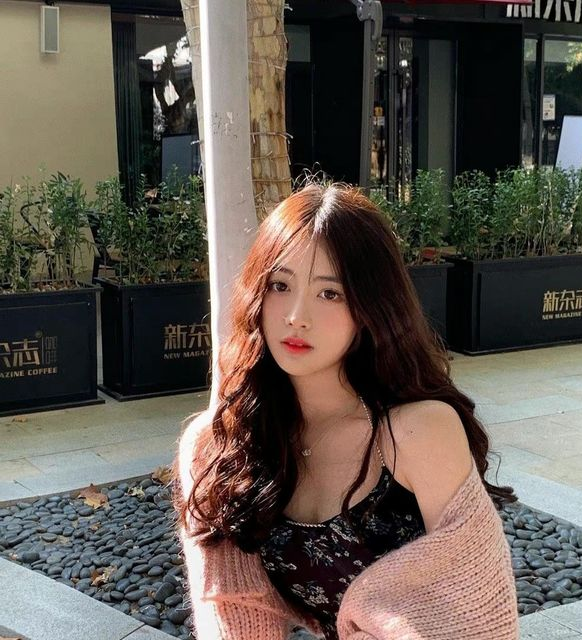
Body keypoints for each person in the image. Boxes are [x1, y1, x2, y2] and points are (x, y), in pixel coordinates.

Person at [172, 182, 519, 640]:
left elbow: (476, 618)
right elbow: (233, 612)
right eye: (280, 285)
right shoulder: (219, 447)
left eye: (330, 293)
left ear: (371, 306)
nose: (297, 316)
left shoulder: (416, 433)